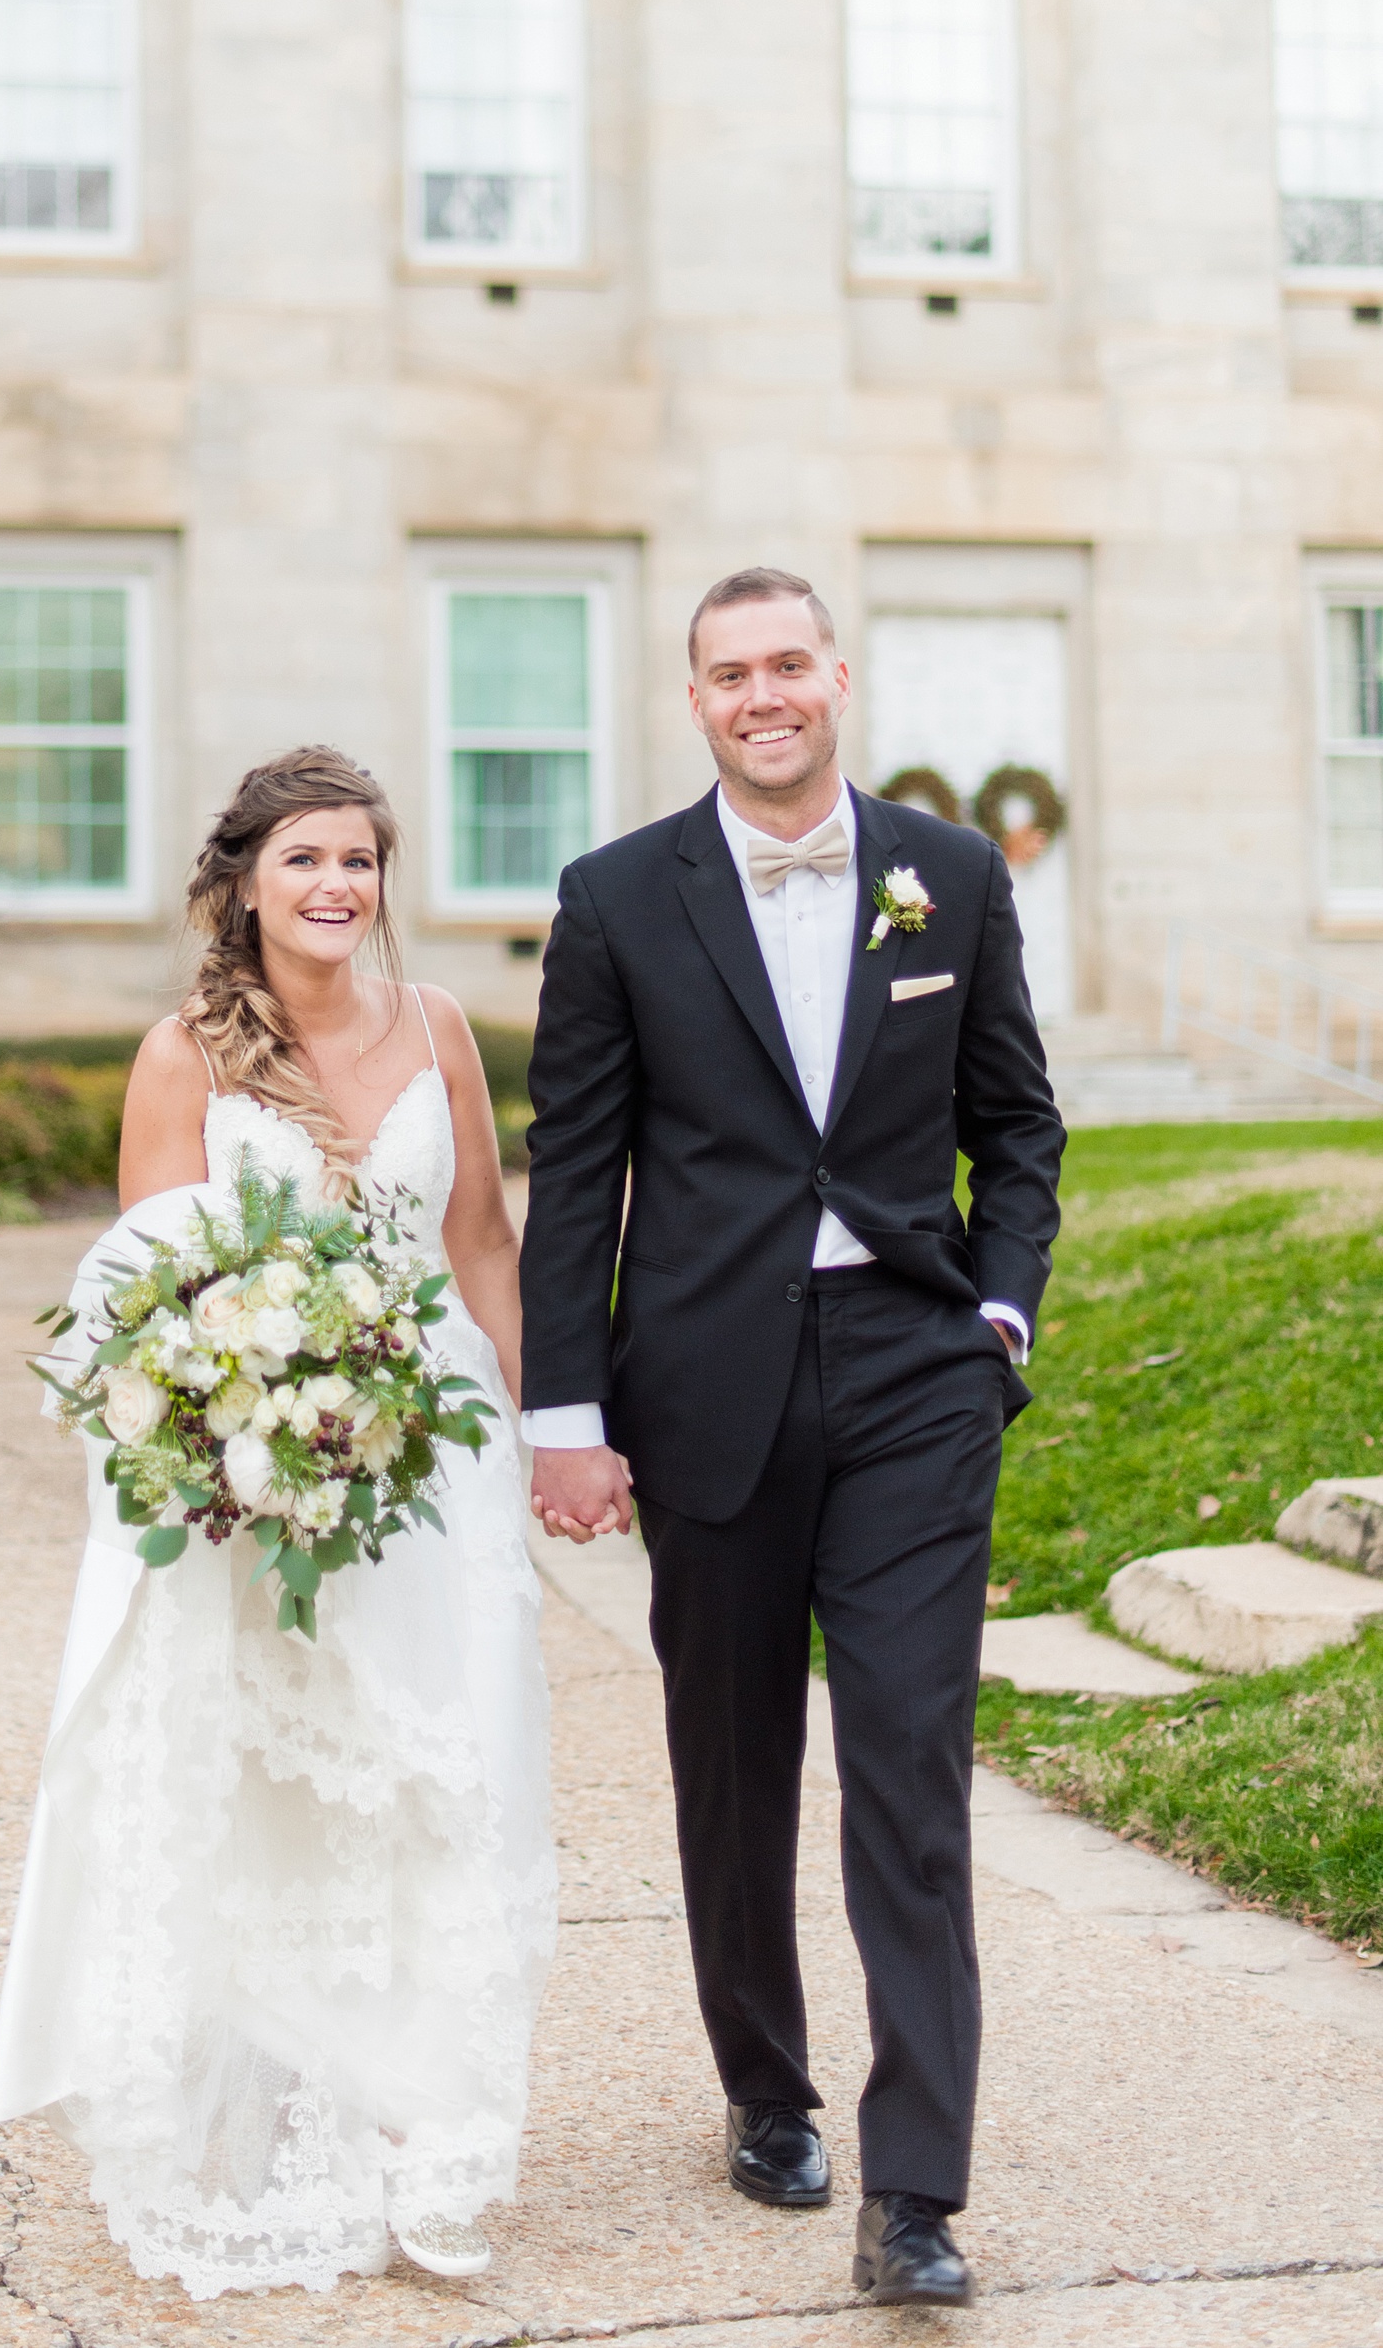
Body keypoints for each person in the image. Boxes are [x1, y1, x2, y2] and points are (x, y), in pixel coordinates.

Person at [519, 570, 1064, 2311]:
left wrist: (996, 1315)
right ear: (695, 699)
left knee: (911, 1772)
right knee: (737, 1758)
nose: (763, 695)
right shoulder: (614, 899)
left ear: (839, 675)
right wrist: (567, 1410)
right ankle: (765, 2085)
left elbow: (1019, 1123)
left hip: (914, 1372)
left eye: (787, 665)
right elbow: (575, 1174)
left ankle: (916, 2190)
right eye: (727, 673)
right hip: (707, 1385)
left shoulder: (952, 873)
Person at [0, 745, 555, 2300]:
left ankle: (427, 2134)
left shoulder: (438, 1029)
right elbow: (149, 1295)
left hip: (438, 1464)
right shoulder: (186, 1055)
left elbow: (485, 1241)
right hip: (265, 1482)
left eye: (358, 859)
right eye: (303, 858)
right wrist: (217, 1456)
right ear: (243, 880)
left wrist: (540, 1427)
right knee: (281, 1787)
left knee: (446, 1772)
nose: (335, 886)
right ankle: (279, 2119)